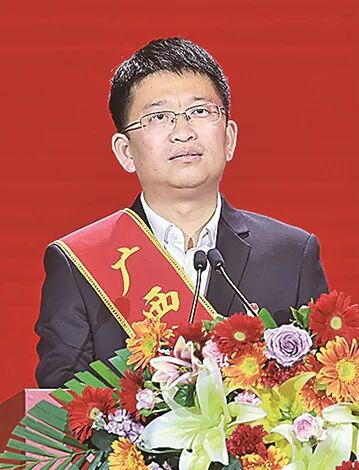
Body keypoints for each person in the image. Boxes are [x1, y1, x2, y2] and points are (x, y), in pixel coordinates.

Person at [35, 37, 328, 388]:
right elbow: (62, 405)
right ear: (125, 152)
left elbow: (322, 389)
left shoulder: (291, 255)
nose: (184, 132)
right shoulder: (80, 262)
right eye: (159, 117)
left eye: (200, 112)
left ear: (229, 138)